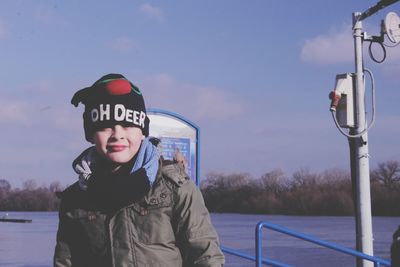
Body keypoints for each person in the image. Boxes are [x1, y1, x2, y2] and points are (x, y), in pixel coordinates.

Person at [53, 73, 225, 267]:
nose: (117, 135)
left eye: (127, 125)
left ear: (142, 131)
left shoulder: (176, 188)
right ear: (91, 134)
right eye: (105, 126)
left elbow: (205, 257)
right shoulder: (75, 200)